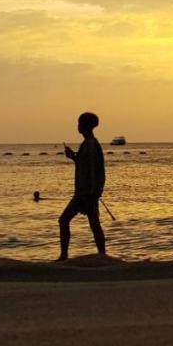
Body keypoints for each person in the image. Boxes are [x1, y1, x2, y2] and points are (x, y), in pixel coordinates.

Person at [58, 111, 106, 260]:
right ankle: (102, 255)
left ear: (84, 125)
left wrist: (93, 194)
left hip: (86, 193)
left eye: (79, 123)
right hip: (85, 192)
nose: (77, 126)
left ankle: (64, 255)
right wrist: (73, 157)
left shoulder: (90, 144)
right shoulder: (88, 143)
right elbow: (86, 165)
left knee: (64, 220)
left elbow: (93, 169)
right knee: (94, 224)